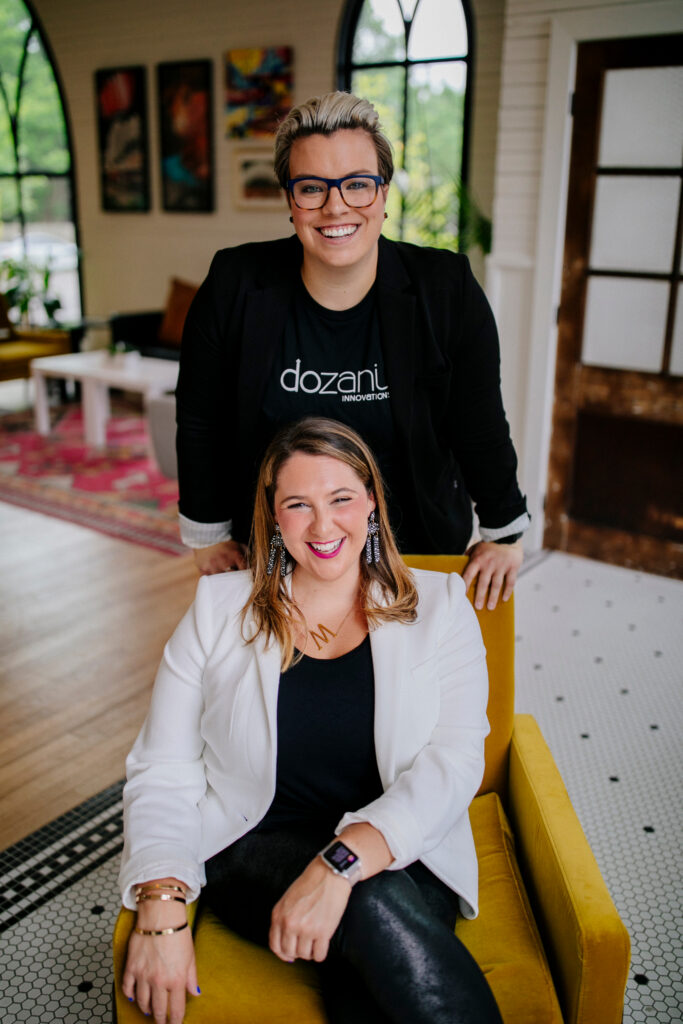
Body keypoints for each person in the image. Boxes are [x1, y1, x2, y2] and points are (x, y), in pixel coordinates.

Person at [120, 417, 503, 1024]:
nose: (324, 526)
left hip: (399, 844)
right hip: (258, 849)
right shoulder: (218, 612)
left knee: (366, 973)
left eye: (342, 499)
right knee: (371, 902)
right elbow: (162, 769)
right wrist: (162, 907)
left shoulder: (442, 607)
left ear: (372, 502)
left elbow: (454, 762)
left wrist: (341, 861)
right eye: (298, 504)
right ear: (273, 517)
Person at [176, 90, 529, 610]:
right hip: (279, 554)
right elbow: (201, 418)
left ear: (384, 194)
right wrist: (207, 532)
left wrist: (503, 531)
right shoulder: (235, 285)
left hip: (415, 549)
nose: (336, 206)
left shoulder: (445, 289)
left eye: (358, 185)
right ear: (289, 200)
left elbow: (477, 420)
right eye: (312, 188)